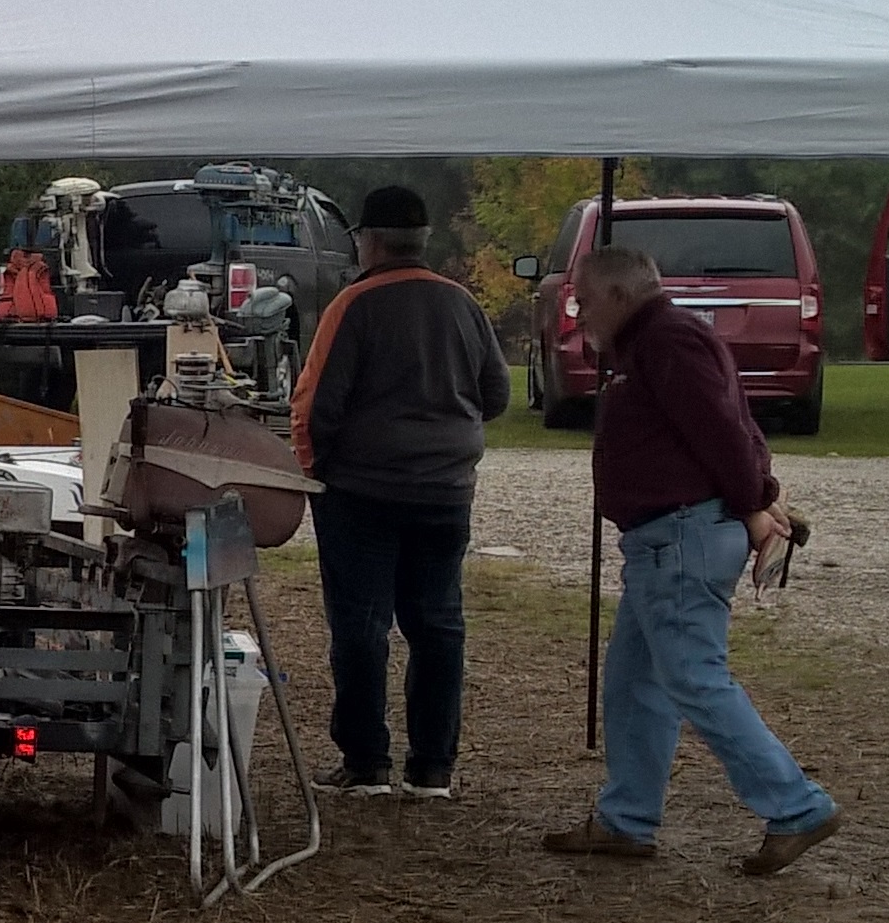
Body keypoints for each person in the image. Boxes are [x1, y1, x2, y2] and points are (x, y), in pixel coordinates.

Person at [538, 247, 842, 875]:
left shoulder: (667, 341)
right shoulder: (661, 341)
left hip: (679, 536)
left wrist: (756, 500)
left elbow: (722, 430)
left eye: (585, 301)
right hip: (668, 539)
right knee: (634, 682)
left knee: (694, 678)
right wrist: (758, 496)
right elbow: (735, 424)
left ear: (619, 295)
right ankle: (627, 818)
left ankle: (797, 805)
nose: (580, 314)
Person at [291, 185, 509, 799]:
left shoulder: (354, 305)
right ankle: (433, 767)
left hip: (363, 492)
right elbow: (496, 395)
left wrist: (314, 472)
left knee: (361, 627)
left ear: (370, 241)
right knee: (438, 624)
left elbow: (315, 403)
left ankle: (366, 762)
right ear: (422, 240)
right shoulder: (463, 302)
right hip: (445, 492)